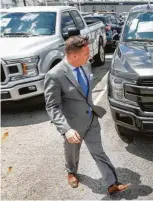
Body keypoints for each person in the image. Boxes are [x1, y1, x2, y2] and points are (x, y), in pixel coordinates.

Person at [44, 35, 130, 195]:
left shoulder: (86, 65)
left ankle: (112, 183)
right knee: (72, 152)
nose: (89, 56)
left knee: (98, 151)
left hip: (91, 119)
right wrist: (66, 129)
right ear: (74, 55)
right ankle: (71, 171)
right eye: (86, 53)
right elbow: (52, 106)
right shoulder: (55, 76)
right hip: (73, 126)